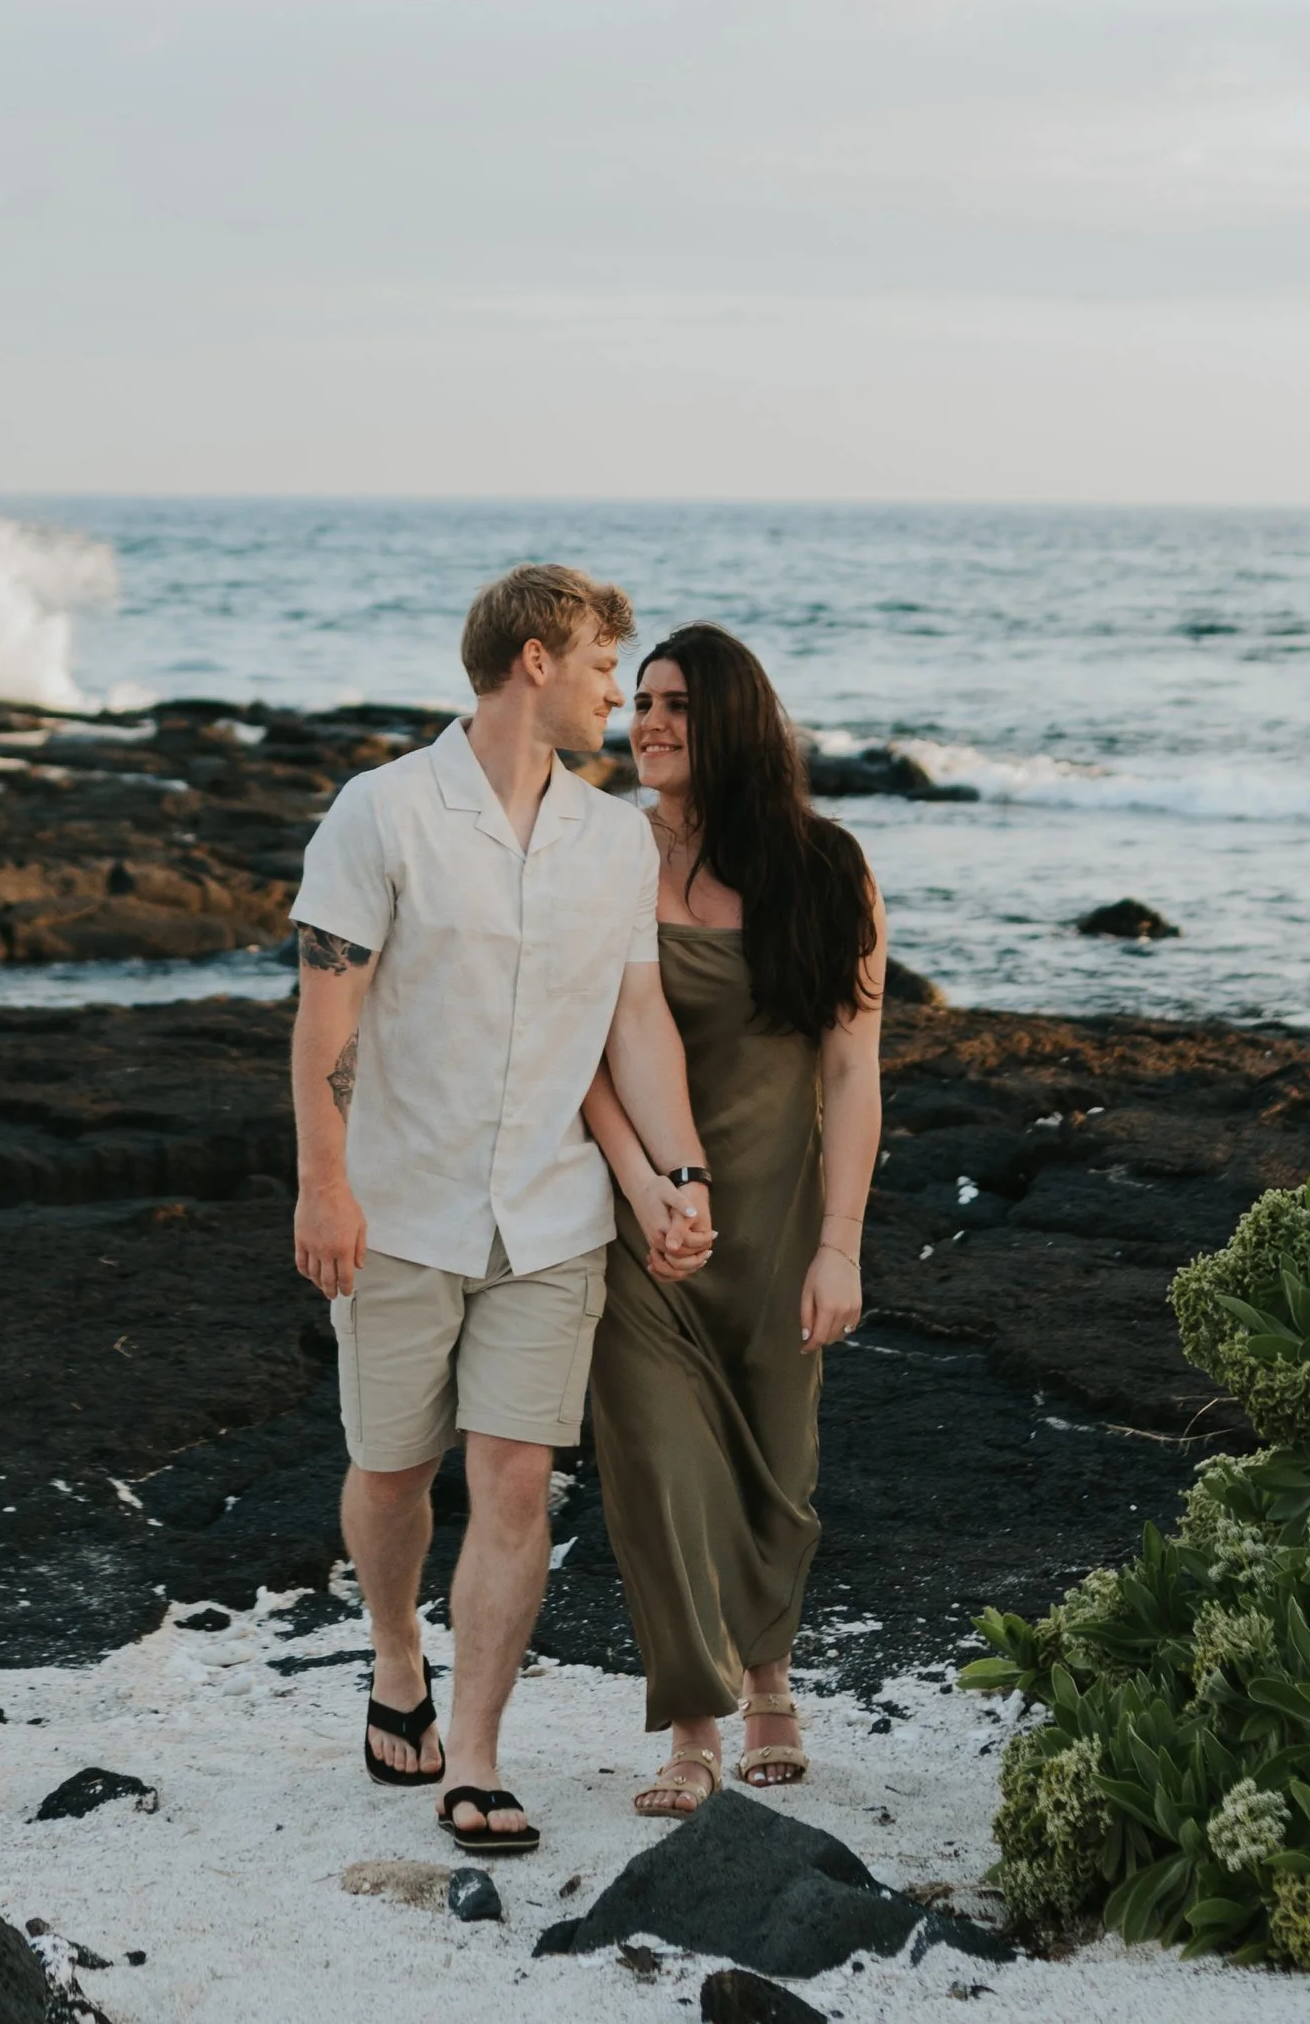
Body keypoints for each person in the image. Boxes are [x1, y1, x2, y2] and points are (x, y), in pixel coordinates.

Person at [288, 564, 715, 1860]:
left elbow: (634, 1016)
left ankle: (472, 1754)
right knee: (389, 1473)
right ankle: (394, 1649)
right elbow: (325, 1013)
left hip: (550, 1217)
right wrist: (323, 1180)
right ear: (536, 657)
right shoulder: (383, 812)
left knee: (515, 1477)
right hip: (401, 1205)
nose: (613, 693)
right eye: (600, 665)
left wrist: (683, 1177)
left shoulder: (614, 839)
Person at [582, 623, 886, 1814]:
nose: (647, 721)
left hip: (776, 1217)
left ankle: (773, 1682)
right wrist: (644, 1181)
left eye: (676, 704)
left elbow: (853, 1069)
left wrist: (839, 1242)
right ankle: (695, 1724)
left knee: (776, 1466)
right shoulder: (604, 854)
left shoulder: (827, 866)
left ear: (735, 721)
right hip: (640, 1216)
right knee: (657, 1464)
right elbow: (585, 1049)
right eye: (641, 700)